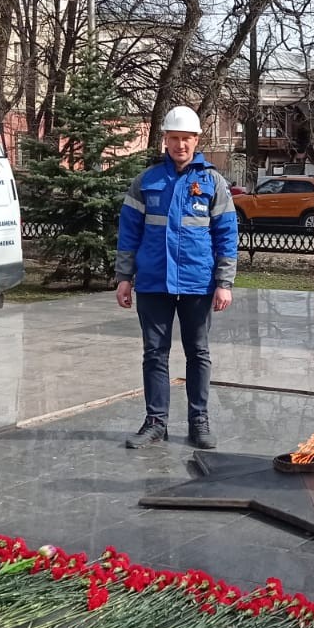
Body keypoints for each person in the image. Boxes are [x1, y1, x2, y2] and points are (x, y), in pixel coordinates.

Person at [116, 105, 239, 450]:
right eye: (174, 138)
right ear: (165, 140)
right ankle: (156, 423)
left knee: (198, 353)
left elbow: (226, 234)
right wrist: (124, 277)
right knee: (154, 353)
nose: (180, 145)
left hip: (198, 283)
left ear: (197, 140)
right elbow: (129, 231)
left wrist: (224, 283)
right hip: (154, 282)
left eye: (186, 139)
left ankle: (199, 422)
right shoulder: (147, 180)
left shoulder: (212, 181)